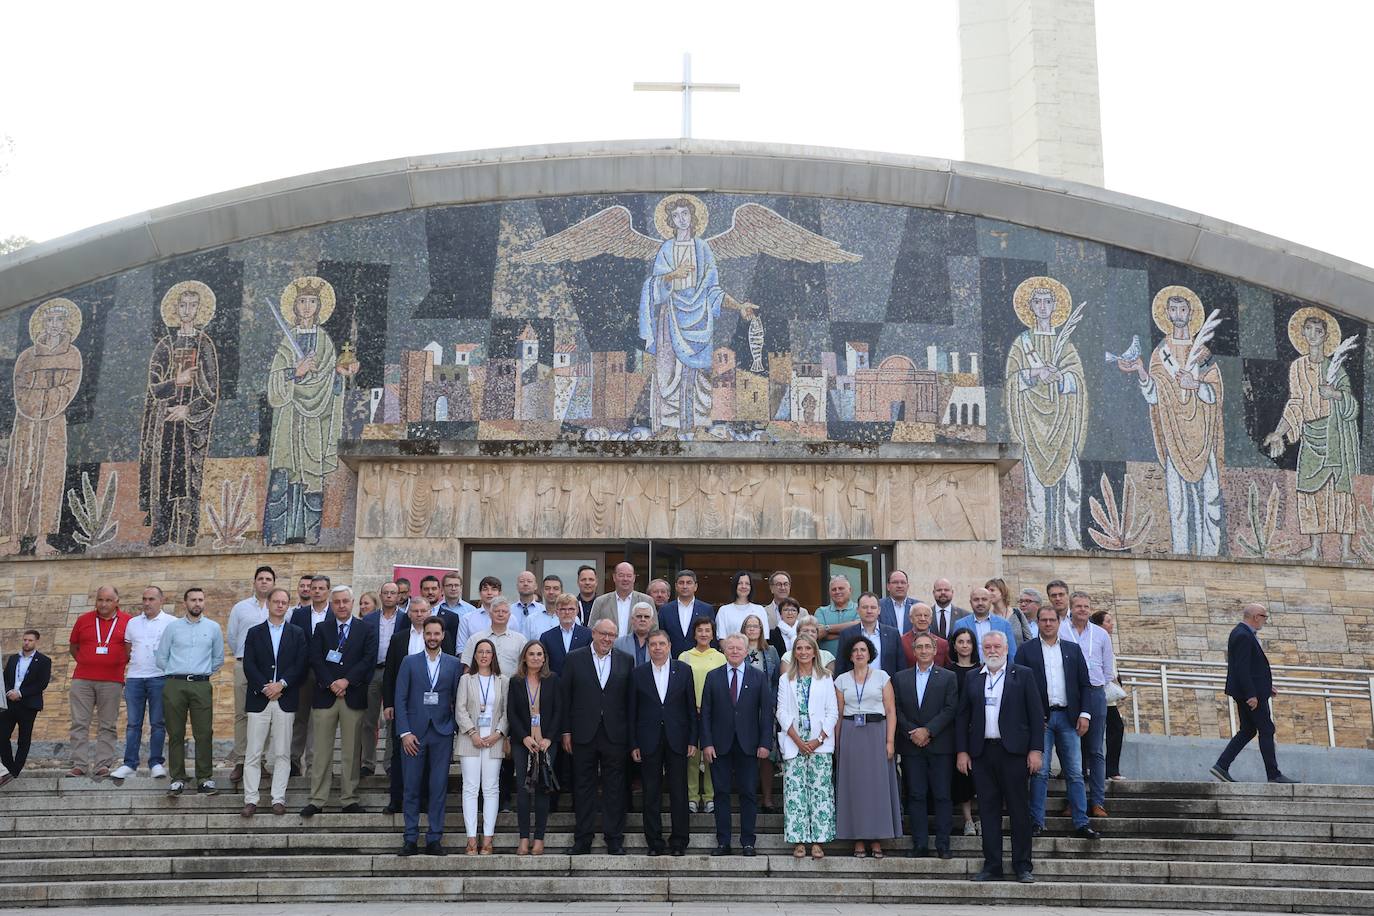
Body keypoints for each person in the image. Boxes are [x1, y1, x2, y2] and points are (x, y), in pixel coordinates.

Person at [955, 631, 1043, 883]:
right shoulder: (973, 677)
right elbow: (962, 717)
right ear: (981, 649)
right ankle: (992, 866)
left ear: (1006, 648)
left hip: (1014, 753)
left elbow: (1036, 716)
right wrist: (962, 751)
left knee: (1019, 811)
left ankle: (1023, 866)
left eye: (997, 646)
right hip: (982, 754)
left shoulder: (1023, 675)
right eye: (987, 646)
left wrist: (1036, 750)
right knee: (988, 812)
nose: (992, 650)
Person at [1017, 605, 1101, 839]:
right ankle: (1036, 822)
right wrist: (1029, 719)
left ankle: (1081, 822)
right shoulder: (1026, 651)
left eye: (1052, 620)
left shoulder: (1073, 650)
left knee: (1074, 772)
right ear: (1038, 623)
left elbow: (1085, 684)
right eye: (1043, 620)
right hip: (1040, 720)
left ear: (1058, 622)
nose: (1047, 624)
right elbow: (1018, 688)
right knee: (1040, 772)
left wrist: (1085, 713)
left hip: (1068, 717)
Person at [301, 586, 376, 817]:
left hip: (352, 695)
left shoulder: (366, 629)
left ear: (352, 602)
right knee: (321, 751)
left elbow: (368, 659)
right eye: (337, 602)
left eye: (345, 601)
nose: (341, 605)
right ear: (332, 605)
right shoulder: (322, 629)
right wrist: (331, 682)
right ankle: (317, 798)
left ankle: (349, 798)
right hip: (325, 695)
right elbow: (314, 657)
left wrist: (346, 681)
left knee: (351, 752)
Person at [561, 619, 633, 855]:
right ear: (593, 633)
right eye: (603, 634)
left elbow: (629, 701)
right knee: (583, 787)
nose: (607, 639)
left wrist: (630, 736)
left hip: (615, 733)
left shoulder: (625, 659)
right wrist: (566, 730)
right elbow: (566, 697)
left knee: (615, 787)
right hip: (583, 732)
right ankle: (583, 838)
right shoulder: (574, 658)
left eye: (612, 635)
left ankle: (614, 838)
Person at [701, 633, 773, 857]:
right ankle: (723, 842)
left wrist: (765, 743)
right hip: (719, 745)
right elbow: (705, 713)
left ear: (745, 651)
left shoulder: (758, 676)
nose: (734, 651)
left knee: (749, 793)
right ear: (724, 651)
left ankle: (748, 842)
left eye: (738, 648)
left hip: (749, 745)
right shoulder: (713, 677)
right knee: (720, 793)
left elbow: (766, 713)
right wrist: (707, 743)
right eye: (730, 647)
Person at [1211, 603, 1298, 784]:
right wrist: (1252, 694)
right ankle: (1273, 774)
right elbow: (1241, 668)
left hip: (1253, 692)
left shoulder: (1242, 633)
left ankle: (1222, 765)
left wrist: (1266, 686)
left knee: (1248, 730)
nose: (1265, 621)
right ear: (1256, 616)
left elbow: (1251, 667)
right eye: (1264, 617)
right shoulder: (1243, 635)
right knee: (1266, 729)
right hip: (1251, 696)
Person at [396, 617, 461, 856]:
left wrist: (453, 727)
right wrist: (404, 733)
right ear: (423, 635)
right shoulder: (409, 662)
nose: (432, 638)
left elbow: (458, 699)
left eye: (437, 634)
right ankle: (410, 837)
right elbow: (400, 698)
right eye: (429, 634)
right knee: (411, 787)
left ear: (443, 635)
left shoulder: (453, 664)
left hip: (442, 733)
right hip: (414, 734)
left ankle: (434, 837)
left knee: (438, 787)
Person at [241, 587, 308, 816]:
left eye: (284, 602)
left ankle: (278, 798)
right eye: (276, 601)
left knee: (282, 752)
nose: (280, 605)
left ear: (288, 605)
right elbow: (249, 664)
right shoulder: (254, 632)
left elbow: (300, 664)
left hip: (285, 698)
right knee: (253, 752)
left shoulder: (297, 633)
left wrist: (282, 685)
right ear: (268, 604)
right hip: (259, 698)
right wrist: (266, 687)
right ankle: (251, 799)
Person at [629, 629, 696, 856]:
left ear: (669, 646)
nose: (657, 648)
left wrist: (692, 740)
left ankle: (679, 842)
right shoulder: (638, 673)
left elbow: (690, 708)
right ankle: (654, 842)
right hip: (648, 741)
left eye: (661, 644)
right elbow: (632, 712)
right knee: (651, 793)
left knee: (679, 792)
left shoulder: (684, 671)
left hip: (678, 739)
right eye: (653, 644)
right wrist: (634, 743)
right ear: (648, 648)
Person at [834, 636, 901, 857]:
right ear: (850, 655)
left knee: (877, 787)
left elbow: (891, 711)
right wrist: (836, 744)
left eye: (863, 650)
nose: (859, 654)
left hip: (876, 732)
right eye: (855, 650)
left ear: (870, 653)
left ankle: (877, 838)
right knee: (854, 787)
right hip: (851, 733)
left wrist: (890, 741)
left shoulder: (882, 677)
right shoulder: (842, 680)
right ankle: (858, 838)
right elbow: (838, 714)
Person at [893, 633, 957, 858]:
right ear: (913, 650)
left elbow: (950, 709)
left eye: (927, 647)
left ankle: (943, 845)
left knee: (942, 796)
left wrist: (928, 731)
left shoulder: (948, 677)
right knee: (916, 796)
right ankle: (919, 844)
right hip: (911, 746)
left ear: (934, 650)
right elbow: (897, 710)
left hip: (940, 745)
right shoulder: (900, 678)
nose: (923, 651)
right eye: (918, 647)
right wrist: (913, 732)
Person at [156, 587, 225, 796]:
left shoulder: (213, 628)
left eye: (201, 600)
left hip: (201, 684)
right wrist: (175, 673)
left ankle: (204, 778)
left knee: (204, 733)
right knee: (175, 732)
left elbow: (218, 659)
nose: (197, 603)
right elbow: (161, 657)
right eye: (193, 600)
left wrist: (200, 674)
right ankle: (177, 778)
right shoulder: (173, 628)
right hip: (174, 684)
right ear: (185, 603)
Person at [776, 634, 836, 859]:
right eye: (798, 648)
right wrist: (797, 740)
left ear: (814, 652)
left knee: (820, 791)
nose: (802, 652)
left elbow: (832, 712)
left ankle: (819, 842)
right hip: (794, 742)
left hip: (819, 742)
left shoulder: (825, 677)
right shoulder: (785, 679)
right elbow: (781, 711)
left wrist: (818, 739)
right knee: (795, 793)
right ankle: (799, 841)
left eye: (807, 648)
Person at [68, 586, 132, 778]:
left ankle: (102, 764)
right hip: (82, 680)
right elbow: (74, 647)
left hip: (112, 680)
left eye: (108, 600)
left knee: (107, 724)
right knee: (79, 723)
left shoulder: (128, 621)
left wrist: (115, 662)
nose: (103, 604)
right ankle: (79, 764)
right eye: (100, 600)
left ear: (116, 602)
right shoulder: (83, 620)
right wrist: (89, 662)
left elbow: (130, 649)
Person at [1060, 591, 1115, 816]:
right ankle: (1075, 800)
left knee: (1095, 749)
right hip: (1070, 693)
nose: (1082, 609)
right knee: (1073, 749)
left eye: (1086, 606)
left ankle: (1097, 801)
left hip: (1094, 692)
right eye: (1078, 606)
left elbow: (1108, 668)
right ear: (1071, 608)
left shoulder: (1101, 634)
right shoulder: (1062, 630)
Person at [380, 598, 433, 815]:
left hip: (430, 704)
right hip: (403, 703)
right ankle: (396, 799)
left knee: (427, 752)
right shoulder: (399, 638)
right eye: (415, 611)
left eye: (423, 611)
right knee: (397, 751)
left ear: (429, 612)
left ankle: (424, 800)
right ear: (409, 614)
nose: (419, 614)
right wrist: (389, 702)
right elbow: (389, 673)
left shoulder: (437, 636)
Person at [111, 587, 170, 781]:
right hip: (135, 678)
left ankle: (156, 763)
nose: (147, 603)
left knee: (158, 723)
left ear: (161, 600)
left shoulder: (172, 623)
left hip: (159, 677)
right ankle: (129, 764)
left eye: (151, 599)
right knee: (133, 724)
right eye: (144, 599)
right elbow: (128, 649)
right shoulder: (133, 623)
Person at [508, 640, 561, 856]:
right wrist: (523, 738)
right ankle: (523, 838)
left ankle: (539, 838)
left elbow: (559, 710)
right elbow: (511, 712)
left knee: (542, 789)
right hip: (524, 742)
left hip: (546, 742)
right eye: (532, 654)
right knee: (523, 789)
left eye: (540, 654)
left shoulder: (553, 679)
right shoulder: (516, 681)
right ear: (524, 657)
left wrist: (549, 738)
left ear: (545, 658)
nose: (536, 658)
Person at [457, 638, 508, 854]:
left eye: (488, 652)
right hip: (471, 740)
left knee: (491, 789)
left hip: (494, 741)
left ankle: (487, 838)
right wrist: (472, 733)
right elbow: (460, 709)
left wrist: (498, 733)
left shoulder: (502, 680)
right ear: (475, 656)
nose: (484, 655)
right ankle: (471, 839)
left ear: (493, 656)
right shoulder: (466, 679)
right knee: (470, 788)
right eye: (480, 652)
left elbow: (507, 711)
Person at [226, 566, 275, 785]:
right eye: (261, 579)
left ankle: (261, 759)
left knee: (264, 715)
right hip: (243, 664)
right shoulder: (240, 608)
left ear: (273, 583)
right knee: (242, 714)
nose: (264, 582)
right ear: (254, 582)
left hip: (269, 669)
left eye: (268, 579)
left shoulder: (280, 607)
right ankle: (241, 759)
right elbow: (232, 637)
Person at [678, 616, 725, 813]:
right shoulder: (684, 656)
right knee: (692, 756)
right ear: (694, 634)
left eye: (707, 630)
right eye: (700, 630)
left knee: (710, 756)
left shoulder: (720, 657)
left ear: (713, 634)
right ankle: (692, 796)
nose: (704, 634)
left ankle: (709, 796)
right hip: (690, 712)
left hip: (713, 714)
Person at [289, 574, 333, 776]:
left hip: (327, 674)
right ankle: (294, 762)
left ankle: (316, 764)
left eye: (321, 588)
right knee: (300, 718)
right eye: (313, 588)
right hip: (303, 674)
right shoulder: (299, 615)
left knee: (321, 721)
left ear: (327, 591)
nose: (316, 591)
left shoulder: (336, 613)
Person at [360, 581, 404, 778]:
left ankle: (389, 763)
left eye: (392, 593)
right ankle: (367, 762)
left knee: (393, 719)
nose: (389, 596)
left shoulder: (405, 619)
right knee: (369, 720)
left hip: (395, 673)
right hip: (372, 672)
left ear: (398, 596)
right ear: (381, 595)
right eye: (385, 592)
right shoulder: (368, 620)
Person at [740, 614, 781, 812]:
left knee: (767, 754)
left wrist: (772, 705)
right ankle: (747, 796)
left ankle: (767, 798)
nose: (752, 629)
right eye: (749, 626)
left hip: (766, 709)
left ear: (761, 629)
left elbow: (776, 681)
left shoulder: (771, 651)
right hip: (743, 710)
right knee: (746, 753)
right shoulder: (737, 650)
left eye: (756, 626)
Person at [1, 629, 50, 781]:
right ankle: (8, 768)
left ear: (36, 642)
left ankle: (15, 771)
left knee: (24, 738)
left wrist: (21, 693)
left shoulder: (43, 660)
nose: (26, 643)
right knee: (2, 736)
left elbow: (42, 683)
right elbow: (5, 678)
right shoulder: (14, 658)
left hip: (28, 704)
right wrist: (9, 691)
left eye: (30, 640)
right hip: (10, 703)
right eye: (25, 640)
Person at [946, 628, 980, 835]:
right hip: (956, 731)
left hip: (980, 731)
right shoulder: (948, 671)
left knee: (982, 777)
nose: (965, 645)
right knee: (962, 778)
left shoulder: (984, 669)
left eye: (968, 641)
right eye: (961, 641)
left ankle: (983, 818)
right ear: (954, 645)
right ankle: (968, 820)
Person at [1091, 609, 1126, 780]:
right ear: (1099, 625)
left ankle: (1111, 769)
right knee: (1107, 730)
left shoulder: (1107, 642)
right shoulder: (1095, 641)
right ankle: (1105, 769)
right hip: (1098, 694)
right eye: (1108, 621)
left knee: (1115, 728)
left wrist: (1119, 687)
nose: (1111, 624)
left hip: (1108, 697)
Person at [836, 592, 904, 676]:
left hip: (886, 687)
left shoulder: (893, 634)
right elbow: (840, 666)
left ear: (879, 610)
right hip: (855, 687)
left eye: (873, 607)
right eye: (865, 607)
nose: (869, 611)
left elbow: (901, 666)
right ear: (857, 610)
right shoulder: (847, 634)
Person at [461, 596, 527, 678]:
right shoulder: (475, 639)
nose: (500, 614)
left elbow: (525, 668)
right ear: (490, 614)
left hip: (512, 688)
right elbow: (467, 669)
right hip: (481, 688)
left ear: (509, 615)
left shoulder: (520, 640)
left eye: (504, 611)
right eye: (497, 611)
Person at [951, 587, 1018, 663]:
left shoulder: (1004, 624)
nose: (980, 603)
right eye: (976, 600)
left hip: (998, 671)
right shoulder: (960, 624)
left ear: (990, 601)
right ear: (970, 602)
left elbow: (1012, 653)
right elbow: (955, 653)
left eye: (984, 599)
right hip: (969, 671)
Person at [658, 570, 714, 658]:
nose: (685, 586)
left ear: (695, 586)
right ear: (676, 586)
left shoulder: (706, 609)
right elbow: (661, 635)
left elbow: (712, 638)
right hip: (672, 660)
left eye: (689, 583)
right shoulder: (665, 610)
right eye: (681, 583)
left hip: (700, 660)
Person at [591, 562, 652, 637]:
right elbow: (592, 628)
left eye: (629, 576)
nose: (625, 579)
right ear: (614, 577)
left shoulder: (647, 600)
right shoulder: (600, 602)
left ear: (634, 578)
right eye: (621, 575)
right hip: (608, 647)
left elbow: (654, 630)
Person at [540, 592, 592, 676]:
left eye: (571, 609)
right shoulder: (546, 637)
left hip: (580, 685)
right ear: (556, 612)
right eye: (563, 609)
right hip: (555, 684)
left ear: (577, 611)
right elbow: (544, 665)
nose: (567, 612)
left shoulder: (588, 635)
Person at [455, 576, 502, 660]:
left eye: (494, 589)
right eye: (485, 589)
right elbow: (461, 649)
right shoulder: (467, 619)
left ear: (499, 593)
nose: (489, 593)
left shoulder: (510, 618)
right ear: (480, 593)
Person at [814, 576, 858, 658]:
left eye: (841, 588)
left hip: (854, 663)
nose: (837, 592)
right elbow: (818, 634)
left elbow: (859, 629)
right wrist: (849, 632)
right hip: (826, 664)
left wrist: (827, 628)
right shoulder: (821, 611)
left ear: (850, 590)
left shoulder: (859, 609)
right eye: (834, 589)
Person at [715, 571, 766, 640]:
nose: (744, 586)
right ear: (735, 586)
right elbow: (722, 638)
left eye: (747, 583)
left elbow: (764, 638)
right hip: (732, 650)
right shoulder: (724, 610)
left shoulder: (760, 610)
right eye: (740, 583)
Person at [987, 577, 1033, 650]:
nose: (988, 593)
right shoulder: (988, 617)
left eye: (992, 590)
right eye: (987, 591)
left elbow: (1029, 638)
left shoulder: (1017, 613)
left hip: (1019, 659)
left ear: (1002, 592)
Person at [900, 604, 949, 669]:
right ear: (911, 618)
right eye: (918, 615)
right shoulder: (902, 641)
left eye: (926, 616)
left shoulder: (942, 644)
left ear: (931, 619)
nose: (922, 619)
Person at [512, 571, 554, 642]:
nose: (525, 584)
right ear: (517, 586)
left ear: (536, 586)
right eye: (522, 581)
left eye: (529, 581)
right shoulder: (509, 611)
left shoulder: (543, 611)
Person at [929, 578, 968, 642]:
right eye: (939, 590)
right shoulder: (926, 614)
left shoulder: (964, 615)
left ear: (952, 592)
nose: (943, 592)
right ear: (933, 593)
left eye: (946, 590)